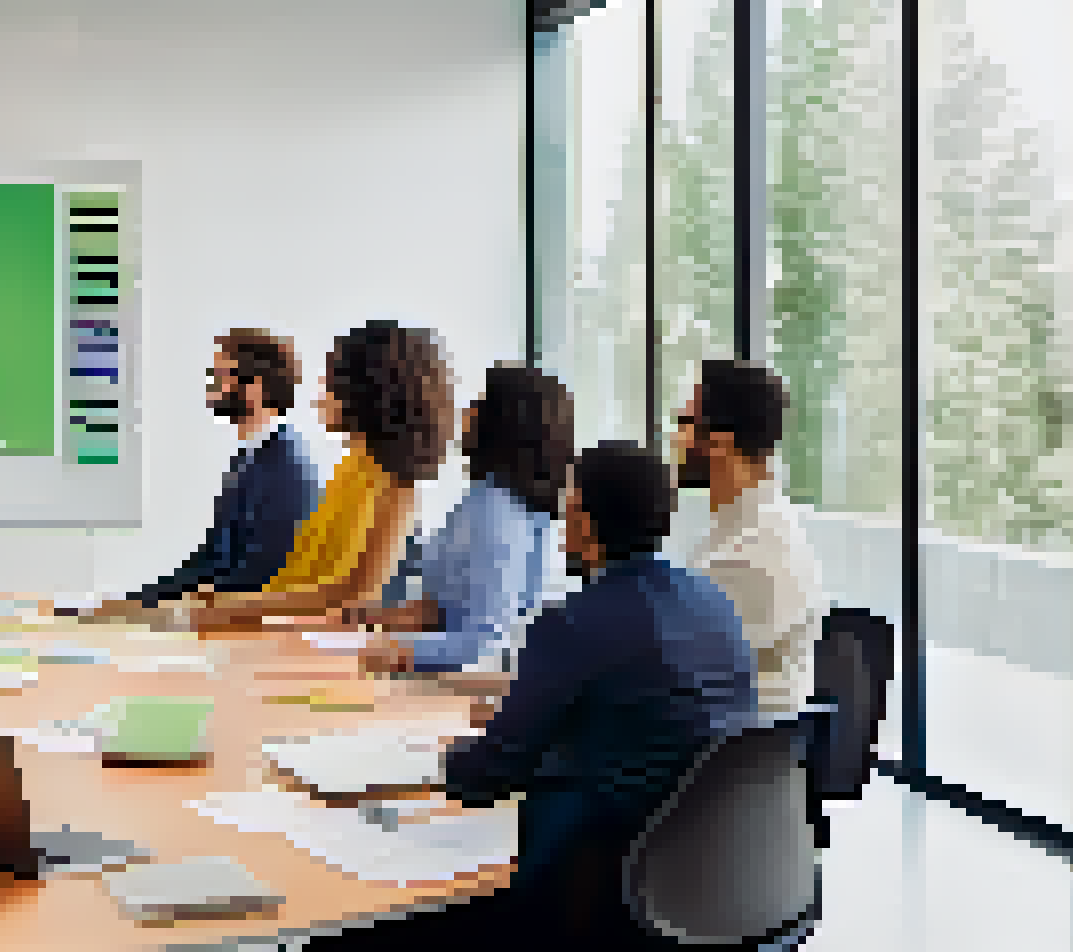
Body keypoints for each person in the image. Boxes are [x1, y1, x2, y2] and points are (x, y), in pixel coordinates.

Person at [300, 442, 756, 949]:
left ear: (583, 519)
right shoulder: (718, 607)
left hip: (593, 886)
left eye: (569, 504)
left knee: (352, 928)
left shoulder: (573, 624)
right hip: (710, 883)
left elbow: (486, 776)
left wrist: (434, 758)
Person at [201, 320, 455, 624]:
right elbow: (302, 576)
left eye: (331, 381)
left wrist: (230, 608)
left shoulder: (396, 485)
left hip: (317, 643)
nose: (320, 393)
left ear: (368, 393)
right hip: (283, 629)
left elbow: (352, 597)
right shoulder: (352, 466)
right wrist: (226, 604)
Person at [347, 363, 572, 675]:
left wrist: (383, 650)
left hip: (455, 692)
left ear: (503, 424)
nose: (466, 413)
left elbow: (484, 643)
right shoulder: (492, 501)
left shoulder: (497, 514)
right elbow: (444, 605)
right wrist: (368, 620)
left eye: (479, 404)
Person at [93, 329, 321, 612]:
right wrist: (132, 603)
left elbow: (262, 574)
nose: (212, 387)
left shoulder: (287, 469)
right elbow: (209, 561)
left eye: (221, 377)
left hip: (249, 624)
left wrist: (173, 606)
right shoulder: (248, 459)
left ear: (255, 387)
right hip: (221, 614)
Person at [673, 359, 826, 715]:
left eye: (684, 423)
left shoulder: (750, 553)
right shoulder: (749, 529)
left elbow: (666, 673)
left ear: (720, 442)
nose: (674, 438)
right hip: (725, 748)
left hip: (715, 758)